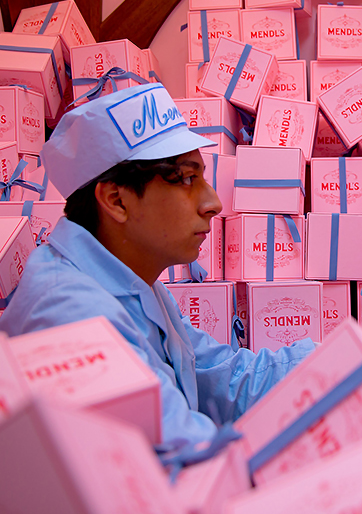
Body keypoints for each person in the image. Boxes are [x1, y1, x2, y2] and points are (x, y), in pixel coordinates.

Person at [0, 83, 316, 450]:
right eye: (187, 179)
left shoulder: (134, 280)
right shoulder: (70, 314)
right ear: (116, 200)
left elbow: (225, 379)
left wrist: (350, 358)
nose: (213, 203)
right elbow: (181, 459)